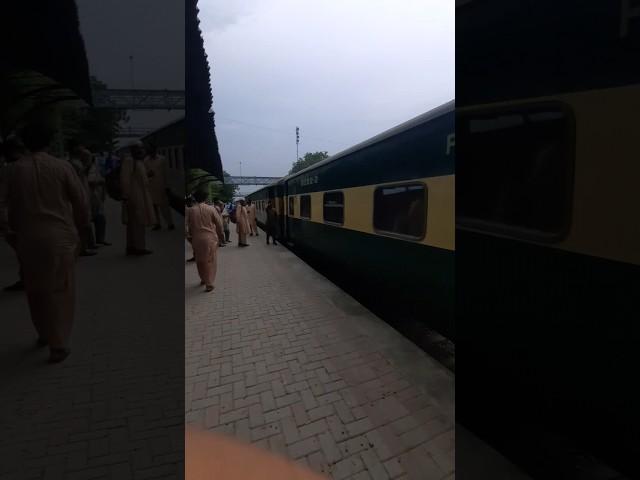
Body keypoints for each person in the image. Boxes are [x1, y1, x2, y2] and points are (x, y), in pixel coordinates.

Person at [6, 118, 90, 363]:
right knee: (62, 288)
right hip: (61, 237)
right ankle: (59, 343)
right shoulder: (63, 167)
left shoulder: (12, 170)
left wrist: (8, 232)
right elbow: (81, 203)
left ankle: (44, 333)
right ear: (50, 141)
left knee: (35, 288)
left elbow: (1, 206)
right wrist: (82, 229)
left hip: (27, 237)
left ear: (24, 142)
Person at [1, 136, 27, 291]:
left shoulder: (8, 170)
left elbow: (2, 200)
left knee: (24, 253)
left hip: (18, 219)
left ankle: (27, 279)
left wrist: (4, 224)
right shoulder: (35, 165)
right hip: (43, 218)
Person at [121, 141, 156, 255]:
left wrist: (148, 176)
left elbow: (141, 179)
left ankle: (131, 247)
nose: (142, 151)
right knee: (138, 222)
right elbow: (125, 180)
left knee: (135, 222)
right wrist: (126, 196)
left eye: (142, 148)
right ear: (133, 149)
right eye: (139, 148)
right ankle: (139, 248)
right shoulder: (130, 161)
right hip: (134, 196)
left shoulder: (138, 161)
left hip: (140, 195)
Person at [186, 190, 224, 292]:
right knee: (210, 260)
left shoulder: (190, 210)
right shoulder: (211, 209)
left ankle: (203, 278)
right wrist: (221, 236)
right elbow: (219, 224)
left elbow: (185, 227)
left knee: (200, 260)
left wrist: (189, 237)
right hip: (211, 238)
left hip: (196, 239)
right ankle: (209, 283)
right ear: (205, 198)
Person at [68, 141, 98, 256]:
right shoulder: (75, 164)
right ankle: (82, 248)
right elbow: (82, 175)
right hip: (79, 195)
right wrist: (89, 162)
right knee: (82, 222)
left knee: (84, 222)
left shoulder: (75, 163)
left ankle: (85, 246)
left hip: (81, 194)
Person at [144, 144, 175, 231]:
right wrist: (148, 174)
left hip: (161, 187)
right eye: (149, 150)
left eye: (152, 150)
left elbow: (166, 173)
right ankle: (157, 224)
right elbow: (144, 173)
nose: (150, 152)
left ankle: (170, 223)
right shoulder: (145, 161)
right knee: (153, 207)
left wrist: (168, 186)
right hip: (151, 187)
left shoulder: (162, 159)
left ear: (155, 150)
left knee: (165, 207)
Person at [87, 154, 110, 246]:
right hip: (92, 196)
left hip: (94, 196)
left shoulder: (91, 167)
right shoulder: (90, 168)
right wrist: (100, 181)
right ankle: (95, 241)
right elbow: (91, 180)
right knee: (97, 219)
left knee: (98, 218)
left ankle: (97, 240)